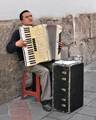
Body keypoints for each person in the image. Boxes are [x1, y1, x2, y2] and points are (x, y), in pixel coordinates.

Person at [6, 10, 64, 112]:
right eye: (26, 17)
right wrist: (16, 44)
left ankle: (57, 93)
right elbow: (9, 48)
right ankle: (46, 100)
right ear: (21, 20)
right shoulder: (18, 32)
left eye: (31, 16)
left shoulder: (39, 29)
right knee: (45, 71)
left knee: (58, 66)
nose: (30, 18)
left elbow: (50, 44)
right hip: (28, 62)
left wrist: (58, 45)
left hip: (43, 60)